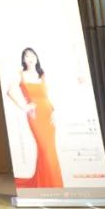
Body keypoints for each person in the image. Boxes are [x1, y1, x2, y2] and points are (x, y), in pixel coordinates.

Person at [7, 47, 64, 189]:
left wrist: (55, 110)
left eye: (32, 55)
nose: (30, 58)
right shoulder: (20, 74)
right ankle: (49, 184)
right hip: (35, 116)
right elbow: (10, 91)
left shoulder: (42, 74)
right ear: (23, 60)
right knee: (45, 149)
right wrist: (24, 107)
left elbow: (50, 94)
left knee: (50, 150)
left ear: (37, 57)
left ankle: (50, 184)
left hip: (49, 114)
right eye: (26, 56)